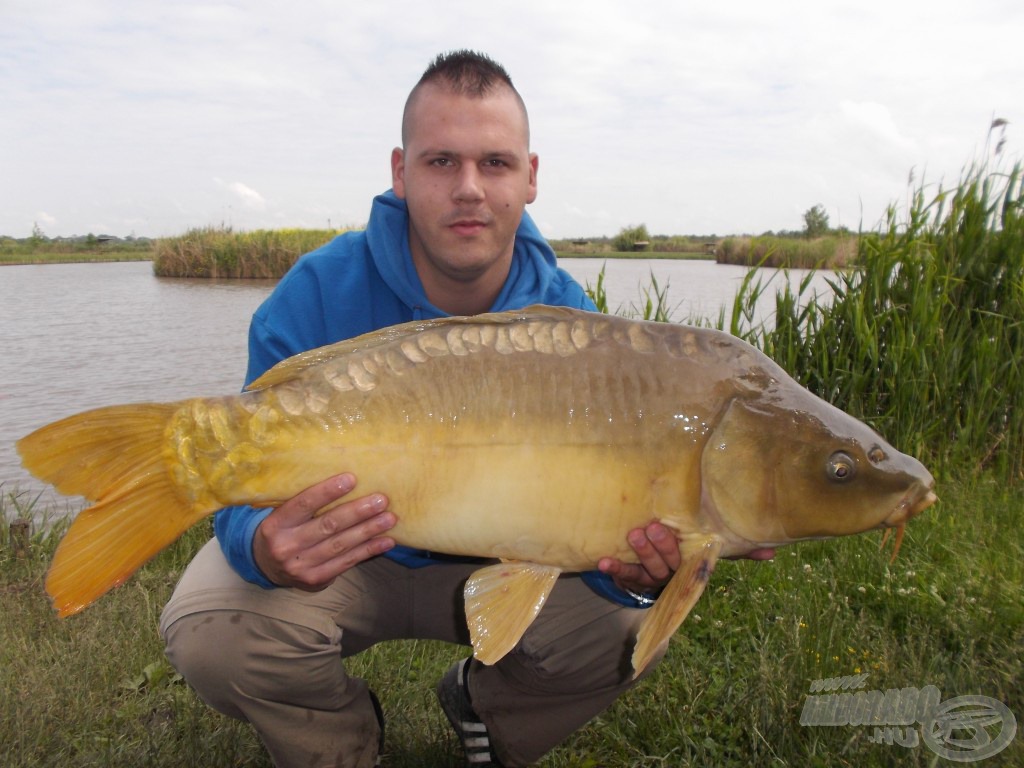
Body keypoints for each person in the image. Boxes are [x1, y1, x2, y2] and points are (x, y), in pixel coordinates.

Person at [160, 50, 770, 768]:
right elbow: (241, 486)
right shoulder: (316, 292)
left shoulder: (575, 329)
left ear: (531, 176)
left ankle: (487, 711)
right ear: (401, 170)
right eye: (442, 161)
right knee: (211, 631)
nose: (470, 189)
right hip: (354, 553)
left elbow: (600, 532)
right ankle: (339, 744)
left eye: (496, 163)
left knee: (617, 634)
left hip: (500, 555)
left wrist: (634, 574)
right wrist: (262, 546)